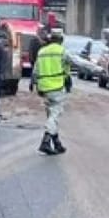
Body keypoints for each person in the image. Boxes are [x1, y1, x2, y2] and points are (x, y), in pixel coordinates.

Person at [30, 27, 71, 155]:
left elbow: (36, 70)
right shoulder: (61, 51)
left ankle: (57, 143)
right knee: (54, 115)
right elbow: (75, 63)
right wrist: (96, 69)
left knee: (51, 114)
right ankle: (45, 142)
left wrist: (33, 82)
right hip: (57, 87)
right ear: (61, 40)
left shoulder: (42, 51)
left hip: (43, 88)